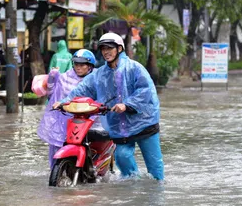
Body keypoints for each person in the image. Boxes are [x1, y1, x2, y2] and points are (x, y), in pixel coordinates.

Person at [53, 32, 164, 181]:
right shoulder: (99, 74)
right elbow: (82, 90)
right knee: (122, 157)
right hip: (120, 127)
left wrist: (127, 104)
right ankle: (135, 189)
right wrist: (64, 102)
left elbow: (146, 90)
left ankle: (156, 194)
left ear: (119, 49)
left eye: (109, 48)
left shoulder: (134, 68)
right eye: (103, 48)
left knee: (155, 168)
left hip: (145, 123)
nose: (106, 52)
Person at [37, 49, 96, 169]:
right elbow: (52, 94)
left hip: (90, 119)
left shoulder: (97, 78)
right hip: (65, 120)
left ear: (90, 66)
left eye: (82, 64)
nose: (78, 67)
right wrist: (52, 78)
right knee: (57, 146)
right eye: (76, 64)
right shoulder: (64, 78)